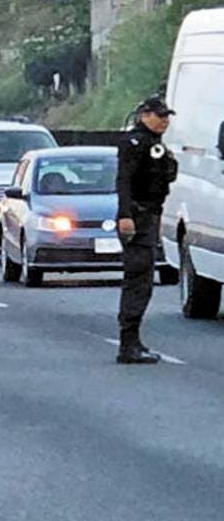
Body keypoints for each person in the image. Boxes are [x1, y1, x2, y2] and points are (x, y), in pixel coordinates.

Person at [115, 95, 177, 364]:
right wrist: (126, 215)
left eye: (167, 117)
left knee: (144, 281)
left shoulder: (154, 144)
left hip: (148, 215)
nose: (165, 121)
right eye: (159, 116)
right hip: (138, 217)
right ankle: (128, 343)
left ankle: (133, 340)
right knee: (138, 280)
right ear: (144, 115)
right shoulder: (135, 143)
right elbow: (124, 181)